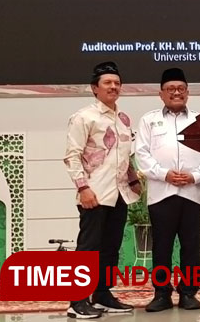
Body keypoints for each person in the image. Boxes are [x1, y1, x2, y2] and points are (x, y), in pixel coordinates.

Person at [63, 62, 140, 319]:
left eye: (117, 83)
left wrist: (132, 180)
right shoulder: (84, 117)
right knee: (88, 249)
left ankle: (103, 295)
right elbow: (72, 157)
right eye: (107, 83)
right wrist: (83, 188)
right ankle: (77, 301)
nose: (113, 87)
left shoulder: (124, 119)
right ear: (95, 88)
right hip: (94, 194)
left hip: (119, 194)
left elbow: (122, 157)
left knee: (110, 248)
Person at [135, 68, 200, 312]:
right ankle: (161, 293)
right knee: (162, 246)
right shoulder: (149, 120)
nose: (176, 93)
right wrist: (164, 173)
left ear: (187, 93)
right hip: (162, 192)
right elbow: (141, 153)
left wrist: (195, 176)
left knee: (191, 245)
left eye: (180, 89)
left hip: (192, 192)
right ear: (161, 94)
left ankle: (189, 292)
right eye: (170, 89)